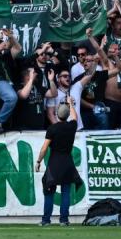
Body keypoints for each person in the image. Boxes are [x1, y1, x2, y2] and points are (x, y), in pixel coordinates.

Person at [35, 97, 83, 226]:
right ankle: (64, 220)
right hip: (68, 162)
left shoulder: (52, 129)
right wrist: (71, 104)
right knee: (65, 192)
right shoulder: (72, 126)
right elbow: (75, 117)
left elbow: (44, 148)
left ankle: (46, 220)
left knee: (49, 191)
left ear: (57, 114)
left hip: (54, 163)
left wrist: (39, 161)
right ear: (67, 115)